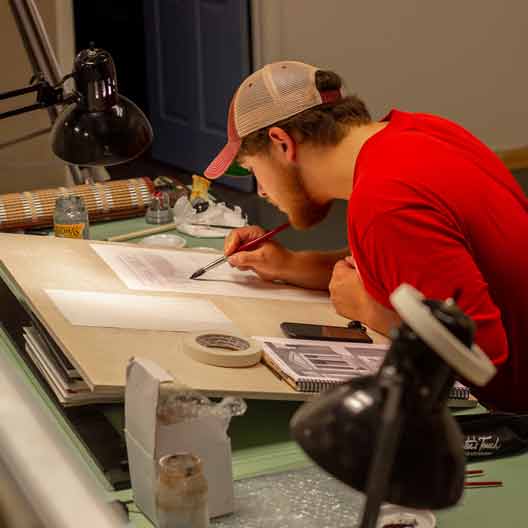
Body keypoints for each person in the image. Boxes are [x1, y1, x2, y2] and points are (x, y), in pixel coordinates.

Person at [204, 61, 528, 412]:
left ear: (282, 144)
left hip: (508, 410)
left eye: (253, 169)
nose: (262, 192)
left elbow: (481, 357)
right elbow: (404, 264)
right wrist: (290, 265)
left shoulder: (385, 201)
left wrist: (369, 310)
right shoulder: (419, 130)